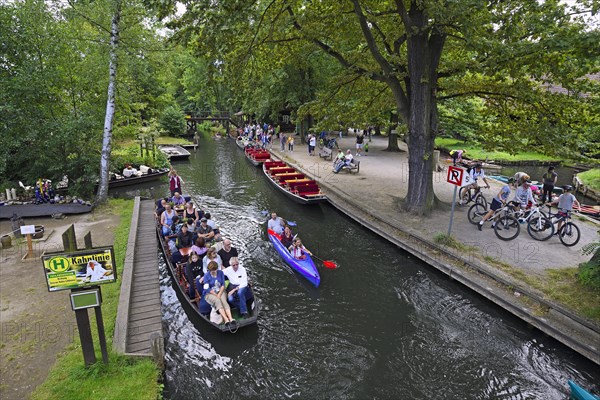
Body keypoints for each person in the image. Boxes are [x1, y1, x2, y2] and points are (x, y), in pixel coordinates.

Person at [200, 261, 235, 326]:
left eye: (215, 270)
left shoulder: (221, 273)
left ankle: (231, 318)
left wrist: (219, 293)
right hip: (210, 293)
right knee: (217, 301)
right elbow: (207, 289)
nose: (214, 272)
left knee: (224, 301)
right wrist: (216, 295)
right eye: (212, 270)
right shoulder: (206, 276)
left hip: (221, 291)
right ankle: (226, 320)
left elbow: (223, 284)